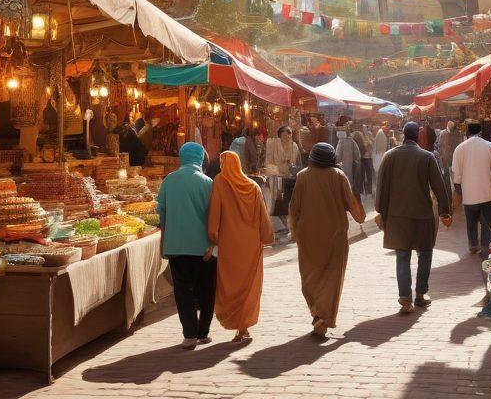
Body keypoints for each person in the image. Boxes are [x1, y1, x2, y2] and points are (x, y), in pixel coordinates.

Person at [288, 142, 366, 339]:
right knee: (332, 277)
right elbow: (355, 210)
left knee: (309, 276)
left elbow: (293, 209)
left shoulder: (302, 176)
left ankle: (317, 313)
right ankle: (323, 315)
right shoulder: (339, 176)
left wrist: (294, 232)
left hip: (308, 237)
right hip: (335, 236)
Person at [375, 121, 453, 313]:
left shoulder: (389, 156)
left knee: (402, 256)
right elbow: (439, 186)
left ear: (403, 135)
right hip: (422, 214)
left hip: (396, 215)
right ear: (417, 136)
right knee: (424, 253)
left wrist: (380, 211)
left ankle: (404, 296)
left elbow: (382, 187)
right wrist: (445, 211)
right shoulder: (426, 157)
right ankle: (420, 294)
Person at [207, 150, 274, 344]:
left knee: (231, 283)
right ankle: (243, 326)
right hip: (251, 244)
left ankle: (239, 325)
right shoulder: (253, 186)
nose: (220, 165)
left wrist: (213, 235)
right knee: (249, 284)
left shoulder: (220, 181)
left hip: (230, 244)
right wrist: (267, 237)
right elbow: (263, 215)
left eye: (221, 162)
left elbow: (215, 211)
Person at [156, 142, 216, 349]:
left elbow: (162, 213)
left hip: (177, 245)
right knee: (207, 290)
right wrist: (213, 243)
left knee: (183, 291)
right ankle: (203, 333)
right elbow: (214, 216)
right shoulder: (207, 182)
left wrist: (166, 237)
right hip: (204, 248)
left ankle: (189, 334)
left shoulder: (169, 181)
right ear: (200, 159)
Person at [451, 121, 491, 255]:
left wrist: (459, 191)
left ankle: (473, 245)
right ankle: (487, 248)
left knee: (471, 222)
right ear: (480, 132)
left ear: (467, 133)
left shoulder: (459, 148)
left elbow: (456, 175)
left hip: (469, 195)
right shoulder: (490, 146)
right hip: (487, 194)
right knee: (487, 224)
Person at [335, 117, 361, 193]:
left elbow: (338, 157)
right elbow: (357, 155)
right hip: (350, 169)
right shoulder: (351, 140)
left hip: (342, 169)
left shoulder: (341, 141)